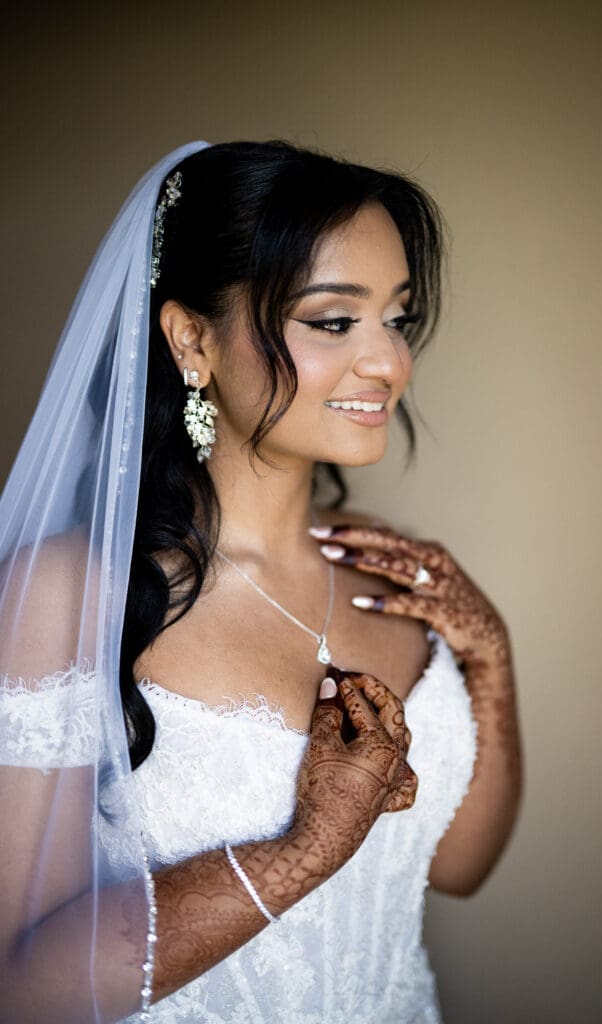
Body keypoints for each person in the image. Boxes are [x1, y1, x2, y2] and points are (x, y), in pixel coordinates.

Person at [0, 140, 522, 1024]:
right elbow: (18, 986)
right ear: (191, 338)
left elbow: (456, 867)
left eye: (396, 318)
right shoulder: (65, 597)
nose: (388, 363)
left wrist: (490, 665)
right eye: (333, 321)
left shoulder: (394, 573)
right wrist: (304, 849)